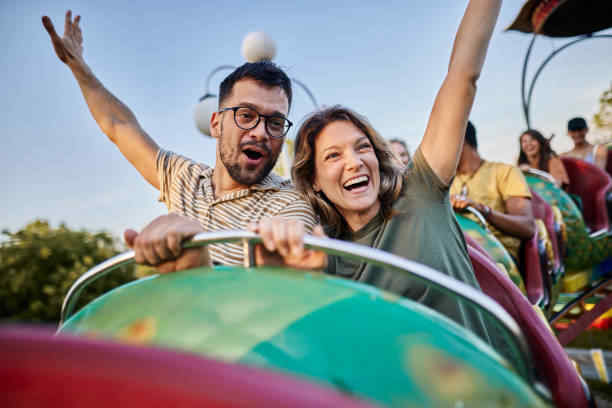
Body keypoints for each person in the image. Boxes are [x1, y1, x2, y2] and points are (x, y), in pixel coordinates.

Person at [42, 11, 315, 267]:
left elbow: (286, 277)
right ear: (216, 124)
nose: (260, 132)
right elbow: (120, 125)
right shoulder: (185, 179)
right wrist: (80, 69)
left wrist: (200, 256)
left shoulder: (290, 203)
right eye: (246, 115)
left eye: (275, 122)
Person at [450, 121, 535, 264]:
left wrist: (482, 210)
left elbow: (527, 227)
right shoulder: (448, 183)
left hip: (499, 260)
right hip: (459, 255)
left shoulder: (504, 172)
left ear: (458, 140)